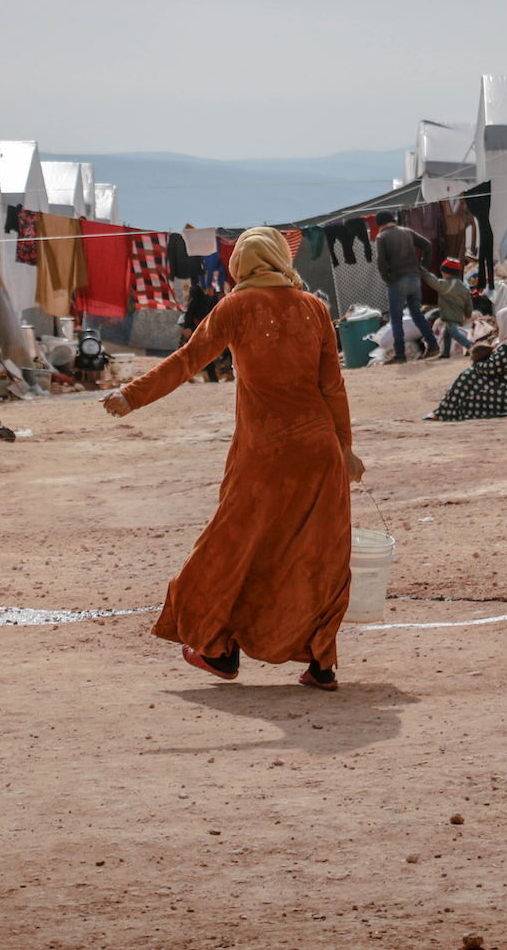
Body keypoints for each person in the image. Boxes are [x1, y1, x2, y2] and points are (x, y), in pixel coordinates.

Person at [101, 227, 364, 691]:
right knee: (317, 556)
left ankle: (219, 651)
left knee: (229, 549)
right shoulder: (315, 309)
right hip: (319, 452)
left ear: (241, 264)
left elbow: (188, 360)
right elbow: (333, 388)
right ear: (282, 260)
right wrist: (345, 449)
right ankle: (321, 663)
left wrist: (131, 395)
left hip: (264, 456)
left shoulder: (235, 307)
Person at [424, 306, 507, 421]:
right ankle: (447, 411)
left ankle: (442, 412)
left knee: (470, 375)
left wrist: (475, 363)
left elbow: (491, 368)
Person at [373, 211, 440, 364]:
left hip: (397, 280)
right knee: (417, 313)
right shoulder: (407, 232)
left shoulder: (382, 237)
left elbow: (381, 262)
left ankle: (401, 355)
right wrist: (423, 267)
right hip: (414, 277)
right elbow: (427, 245)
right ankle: (433, 345)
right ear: (393, 220)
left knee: (396, 319)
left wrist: (387, 280)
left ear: (379, 224)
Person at [420, 257, 474, 358]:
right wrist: (468, 314)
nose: (442, 275)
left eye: (443, 272)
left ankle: (471, 347)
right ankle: (445, 353)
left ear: (447, 273)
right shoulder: (462, 286)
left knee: (453, 333)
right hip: (458, 314)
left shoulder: (447, 286)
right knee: (447, 333)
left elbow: (434, 282)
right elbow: (468, 303)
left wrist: (424, 272)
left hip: (450, 315)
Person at [181, 283, 228, 382]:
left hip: (207, 327)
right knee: (191, 352)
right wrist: (187, 327)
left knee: (207, 353)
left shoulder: (214, 291)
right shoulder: (196, 289)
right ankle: (188, 376)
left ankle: (213, 378)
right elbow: (190, 309)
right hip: (195, 326)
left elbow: (215, 310)